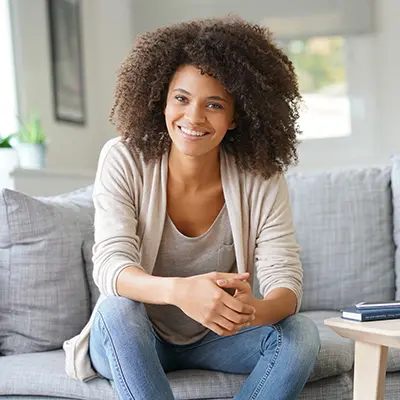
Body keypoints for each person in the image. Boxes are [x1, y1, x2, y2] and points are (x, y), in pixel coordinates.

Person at [67, 16, 321, 400]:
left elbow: (284, 277)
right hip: (134, 336)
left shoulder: (261, 176)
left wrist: (253, 311)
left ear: (236, 116)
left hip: (219, 337)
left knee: (300, 333)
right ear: (162, 99)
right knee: (119, 310)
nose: (194, 117)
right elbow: (111, 267)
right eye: (181, 98)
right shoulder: (124, 158)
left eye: (214, 104)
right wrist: (180, 292)